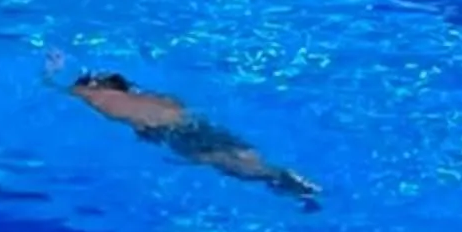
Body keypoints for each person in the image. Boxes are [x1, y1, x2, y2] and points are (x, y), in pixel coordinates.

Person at [68, 71, 317, 201]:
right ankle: (276, 173)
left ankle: (276, 176)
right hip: (194, 123)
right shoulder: (154, 97)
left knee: (226, 164)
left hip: (174, 133)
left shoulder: (103, 99)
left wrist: (52, 71)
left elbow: (72, 90)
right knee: (238, 152)